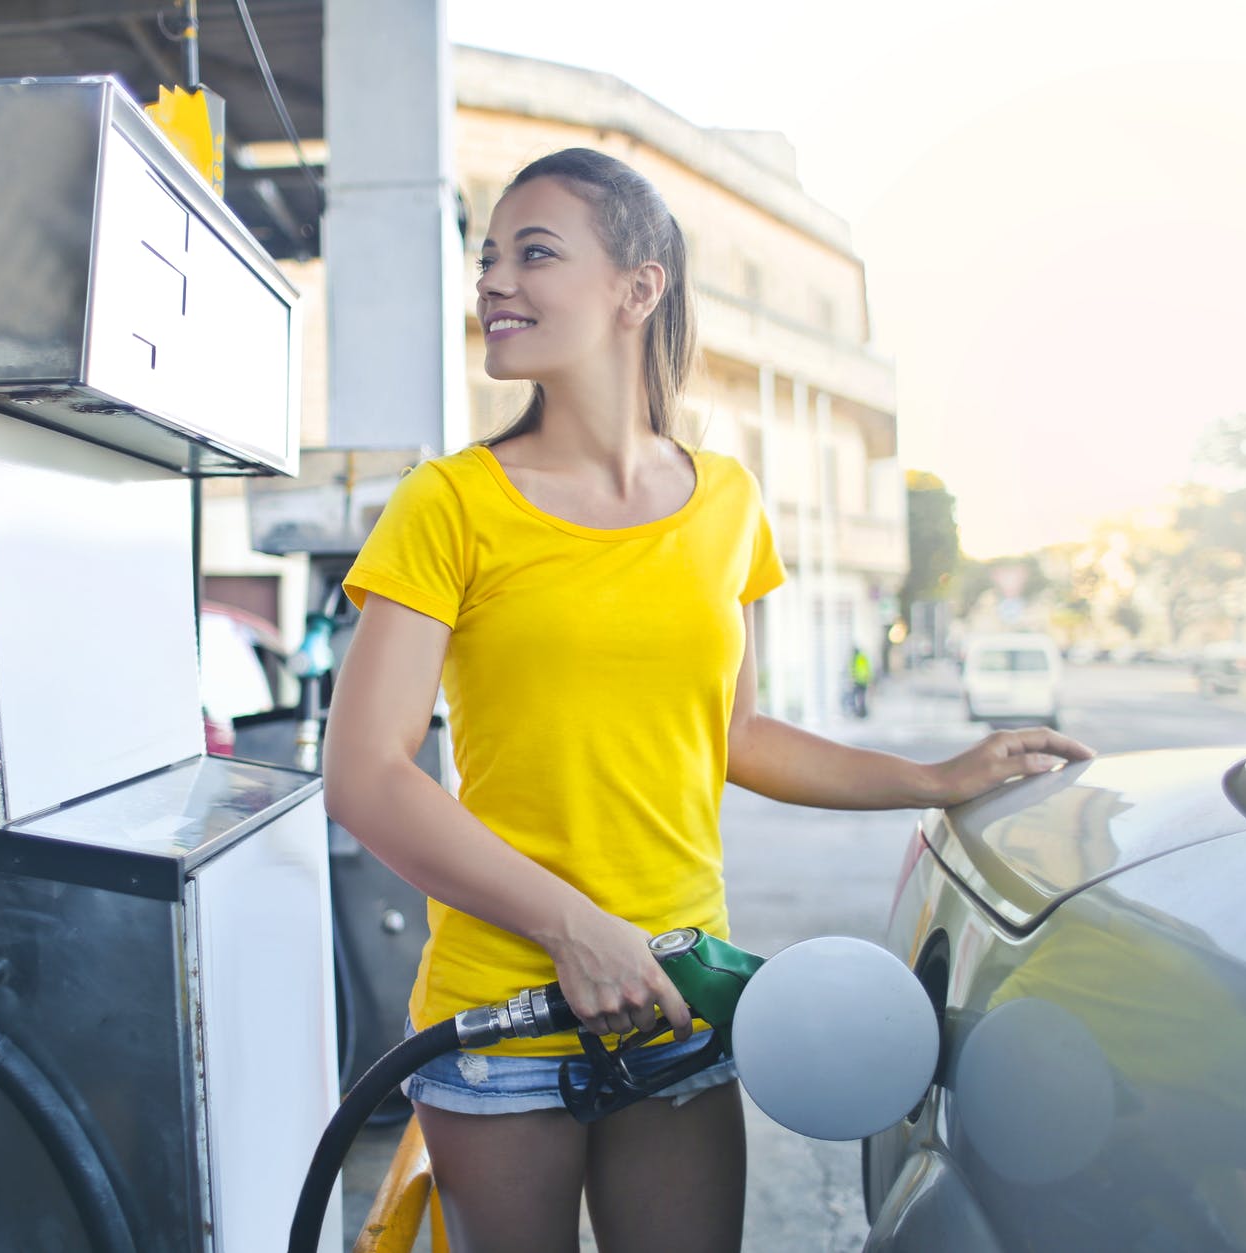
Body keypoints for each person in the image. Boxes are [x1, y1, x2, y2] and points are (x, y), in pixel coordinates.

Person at [322, 147, 1093, 1253]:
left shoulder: (726, 503)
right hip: (499, 1021)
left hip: (675, 1003)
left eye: (533, 253)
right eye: (486, 258)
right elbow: (366, 772)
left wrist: (934, 778)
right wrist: (570, 926)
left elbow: (733, 734)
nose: (492, 282)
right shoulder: (447, 504)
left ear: (639, 287)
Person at [849, 645, 873, 718]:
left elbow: (867, 668)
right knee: (860, 697)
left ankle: (862, 712)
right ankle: (860, 712)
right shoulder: (855, 658)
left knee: (861, 697)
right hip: (859, 681)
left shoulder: (859, 657)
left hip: (862, 681)